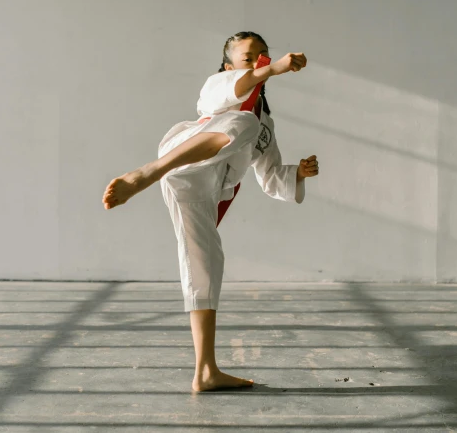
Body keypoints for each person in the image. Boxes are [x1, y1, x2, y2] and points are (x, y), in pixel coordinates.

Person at [102, 32, 319, 391]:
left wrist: (297, 172)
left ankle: (205, 370)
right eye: (249, 57)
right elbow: (241, 86)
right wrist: (273, 69)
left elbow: (270, 176)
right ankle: (145, 173)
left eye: (264, 55)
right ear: (228, 65)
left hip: (200, 188)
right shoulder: (219, 84)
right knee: (242, 123)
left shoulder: (264, 122)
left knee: (206, 264)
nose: (259, 61)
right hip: (181, 157)